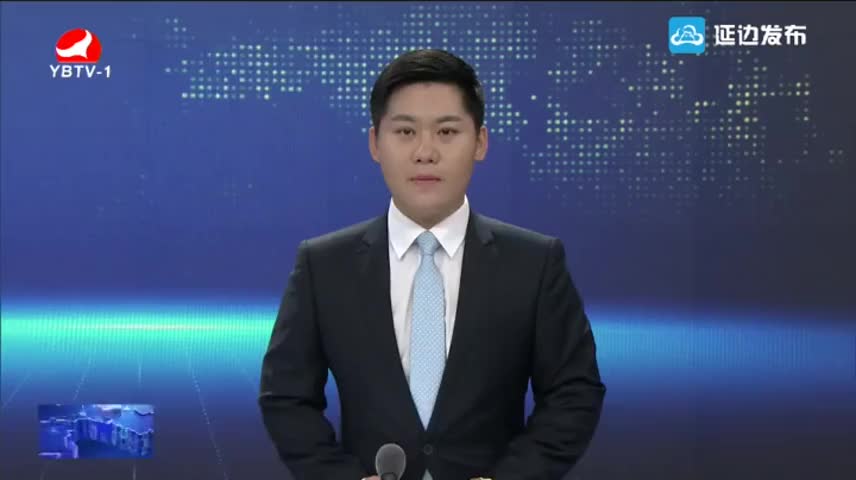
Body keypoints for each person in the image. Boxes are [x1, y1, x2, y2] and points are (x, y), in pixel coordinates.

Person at [259, 48, 606, 480]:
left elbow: (574, 393)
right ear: (375, 143)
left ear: (480, 142)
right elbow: (285, 396)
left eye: (446, 131)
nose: (425, 152)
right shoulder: (324, 265)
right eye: (405, 132)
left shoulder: (535, 263)